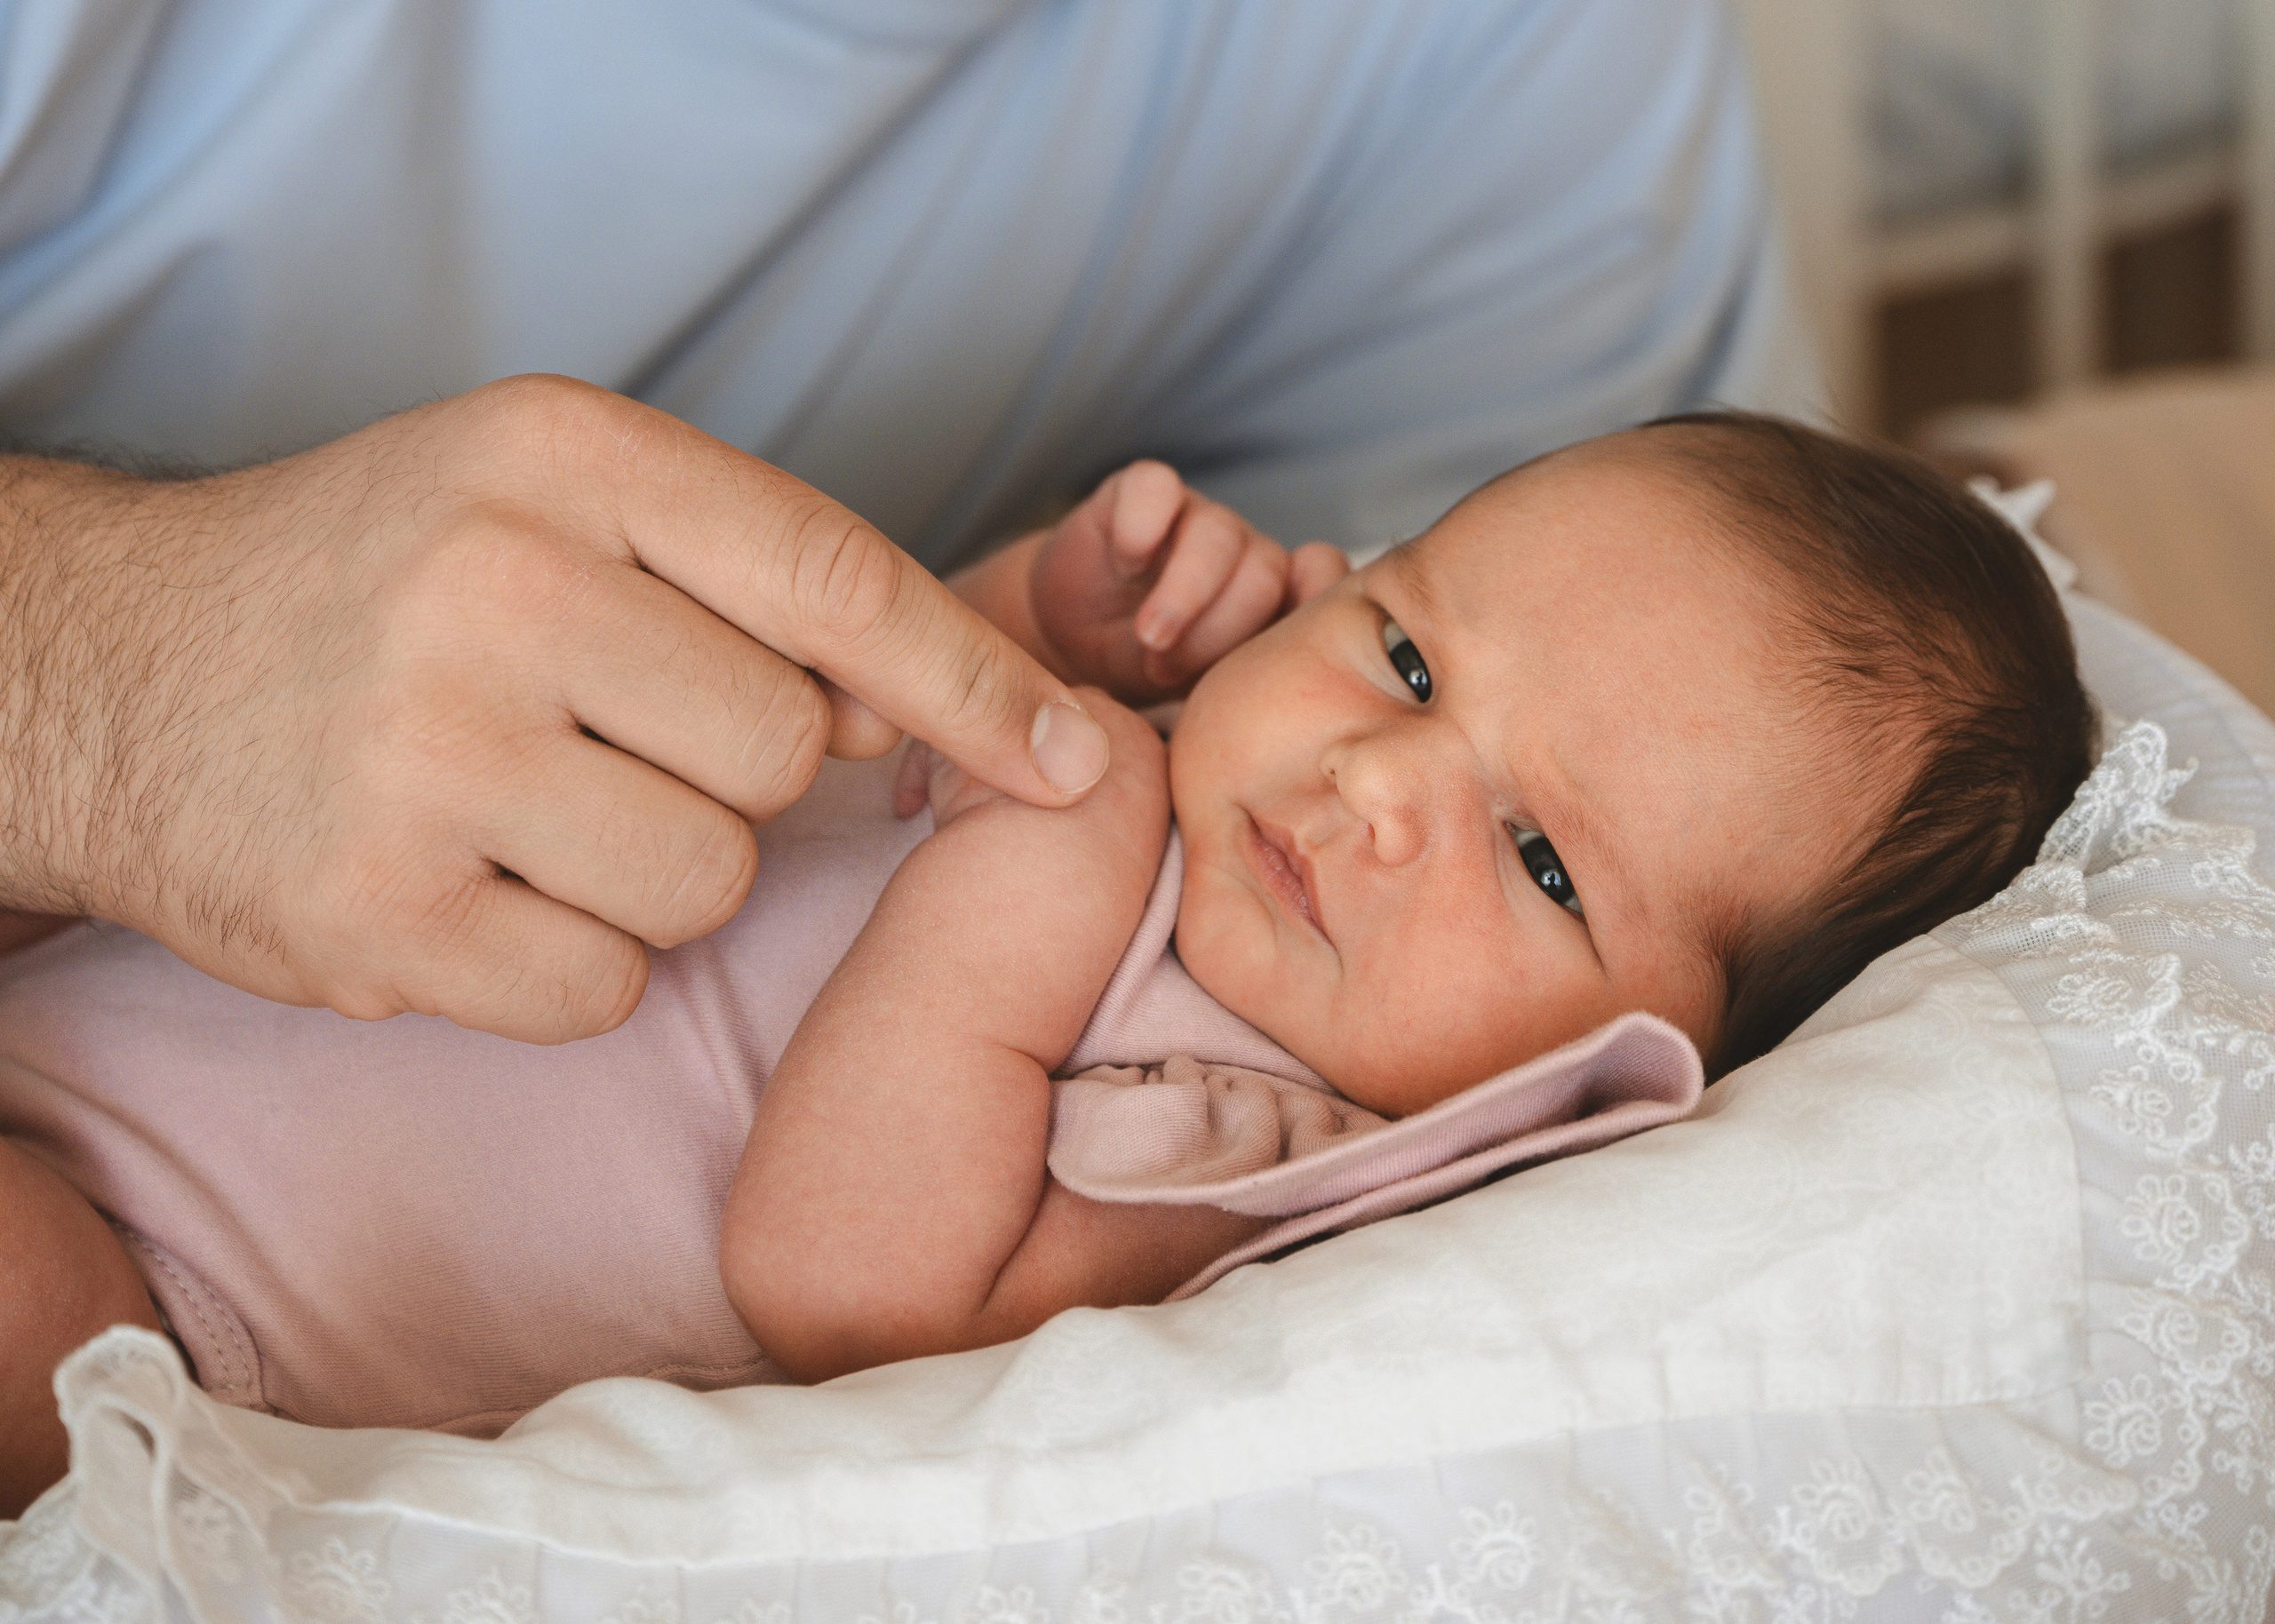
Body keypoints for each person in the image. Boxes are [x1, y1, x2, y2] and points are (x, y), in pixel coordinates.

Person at [0, 413, 2095, 1512]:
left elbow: (844, 1279)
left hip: (187, 1278)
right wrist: (1031, 625)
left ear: (1626, 1068)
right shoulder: (1176, 771)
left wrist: (1045, 844)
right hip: (145, 905)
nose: (1376, 775)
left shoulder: (1242, 1122)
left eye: (1538, 851)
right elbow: (863, 728)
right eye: (1407, 647)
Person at [0, 0, 1816, 1051]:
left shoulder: (1505, 61)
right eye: (1397, 659)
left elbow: (1678, 832)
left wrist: (1072, 642)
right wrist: (89, 681)